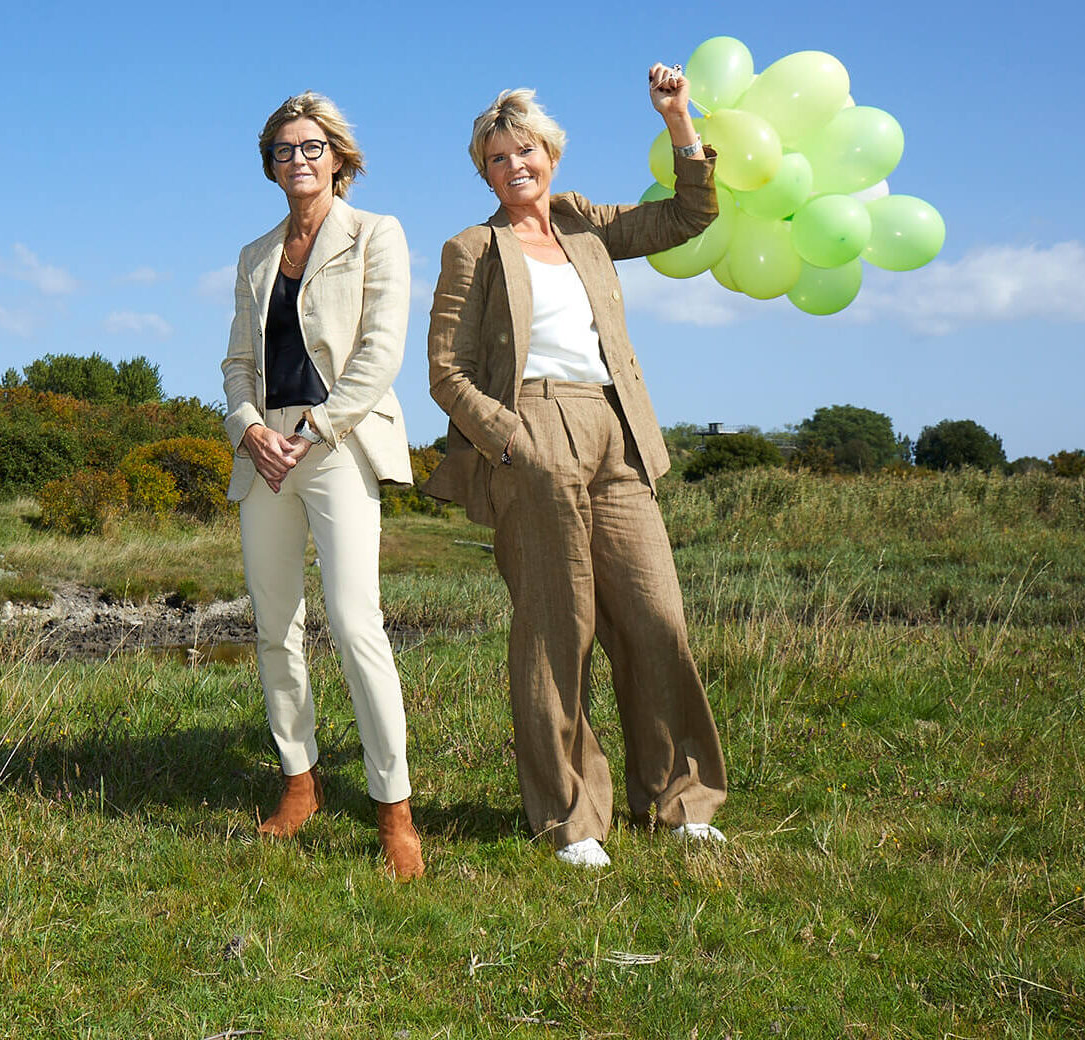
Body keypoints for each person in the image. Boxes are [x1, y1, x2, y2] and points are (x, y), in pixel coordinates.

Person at [426, 65, 728, 868]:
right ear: (482, 170)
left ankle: (678, 798)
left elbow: (688, 216)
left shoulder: (586, 225)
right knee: (557, 631)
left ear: (550, 155)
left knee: (655, 615)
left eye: (524, 151)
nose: (513, 166)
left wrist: (678, 120)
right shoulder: (470, 249)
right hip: (533, 424)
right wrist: (510, 439)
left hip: (616, 426)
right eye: (496, 158)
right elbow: (444, 371)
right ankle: (569, 817)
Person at [223, 91, 423, 880]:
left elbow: (380, 353)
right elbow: (237, 363)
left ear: (339, 157)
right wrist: (250, 429)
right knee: (276, 626)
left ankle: (393, 809)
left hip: (336, 443)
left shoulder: (378, 235)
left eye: (311, 147)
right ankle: (298, 785)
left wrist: (313, 430)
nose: (297, 160)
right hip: (265, 450)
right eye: (283, 150)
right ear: (269, 165)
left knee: (353, 622)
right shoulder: (252, 255)